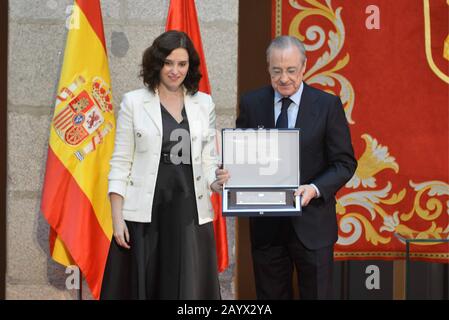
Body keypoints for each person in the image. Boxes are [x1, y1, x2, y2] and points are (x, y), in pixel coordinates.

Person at [100, 30, 229, 300]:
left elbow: (207, 161)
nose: (175, 70)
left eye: (182, 64)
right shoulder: (133, 102)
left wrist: (216, 182)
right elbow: (121, 162)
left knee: (188, 289)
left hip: (190, 211)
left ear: (189, 67)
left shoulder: (204, 103)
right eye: (168, 63)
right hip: (146, 212)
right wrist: (116, 217)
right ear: (156, 63)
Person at [236, 35, 357, 300]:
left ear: (304, 67)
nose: (284, 78)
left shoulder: (327, 106)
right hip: (267, 228)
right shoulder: (252, 103)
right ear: (268, 68)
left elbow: (345, 163)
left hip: (313, 224)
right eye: (276, 71)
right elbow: (241, 156)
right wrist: (229, 172)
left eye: (291, 70)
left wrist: (314, 188)